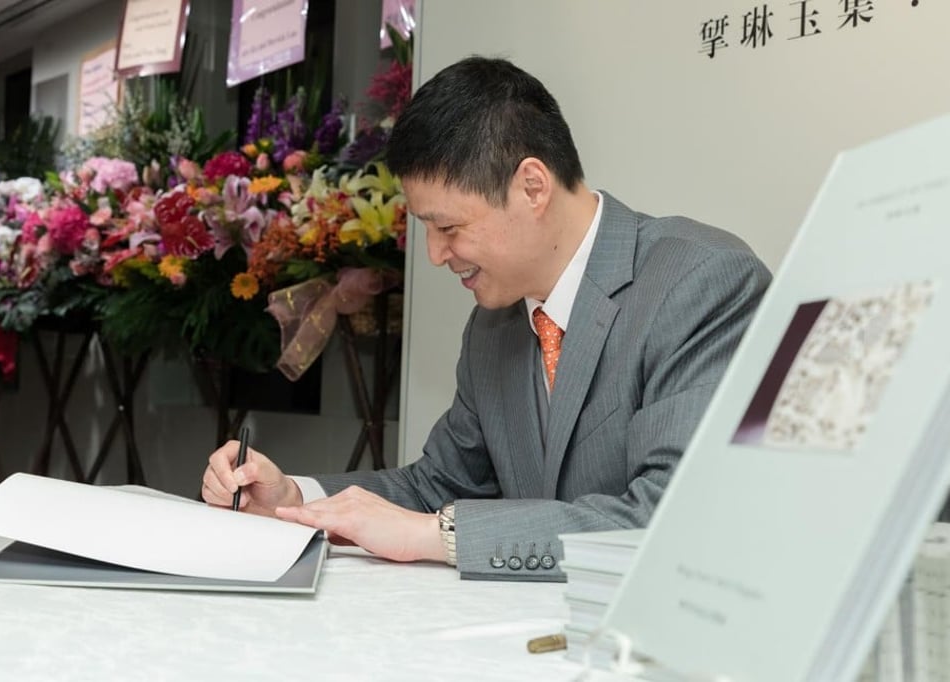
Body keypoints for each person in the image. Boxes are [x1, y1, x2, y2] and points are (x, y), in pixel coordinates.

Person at [201, 56, 772, 580]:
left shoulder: (699, 283)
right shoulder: (495, 324)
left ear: (531, 186)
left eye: (449, 228)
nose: (435, 255)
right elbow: (438, 486)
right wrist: (295, 500)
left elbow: (668, 516)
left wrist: (438, 536)